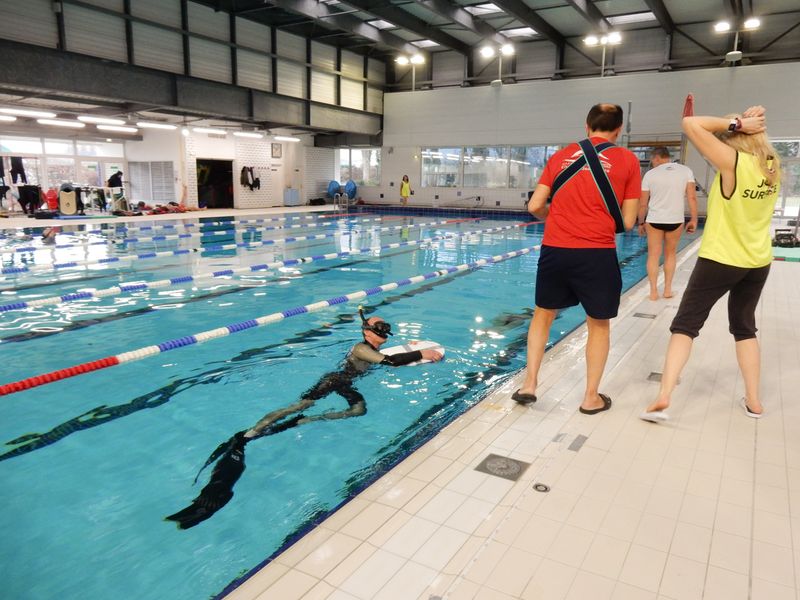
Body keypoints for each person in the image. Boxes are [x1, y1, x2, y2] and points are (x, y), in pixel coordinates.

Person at [165, 308, 443, 529]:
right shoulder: (361, 348)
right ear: (366, 331)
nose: (384, 330)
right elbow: (390, 362)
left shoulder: (373, 349)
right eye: (379, 326)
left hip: (346, 384)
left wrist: (411, 349)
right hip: (333, 381)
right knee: (298, 405)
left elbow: (389, 357)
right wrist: (422, 353)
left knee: (358, 410)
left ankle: (304, 421)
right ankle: (250, 433)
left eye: (384, 327)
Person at [641, 105, 780, 423]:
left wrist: (737, 122)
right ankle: (754, 402)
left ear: (736, 137)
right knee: (745, 328)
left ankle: (664, 395)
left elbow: (691, 123)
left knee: (685, 325)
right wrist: (749, 122)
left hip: (721, 258)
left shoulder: (734, 163)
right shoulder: (772, 166)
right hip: (758, 261)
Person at [513, 103, 640, 414]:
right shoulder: (628, 160)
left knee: (543, 314)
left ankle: (529, 384)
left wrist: (556, 217)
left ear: (587, 125)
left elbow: (535, 206)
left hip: (555, 249)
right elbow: (627, 222)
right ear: (619, 130)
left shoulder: (560, 156)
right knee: (598, 324)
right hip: (597, 252)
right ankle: (590, 397)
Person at [638, 147, 698, 300]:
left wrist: (640, 222)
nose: (652, 163)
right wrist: (694, 219)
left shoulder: (650, 175)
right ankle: (667, 290)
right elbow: (692, 197)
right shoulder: (686, 171)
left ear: (657, 158)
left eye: (652, 160)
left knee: (653, 255)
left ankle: (653, 292)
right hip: (675, 220)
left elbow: (643, 203)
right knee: (670, 254)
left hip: (654, 220)